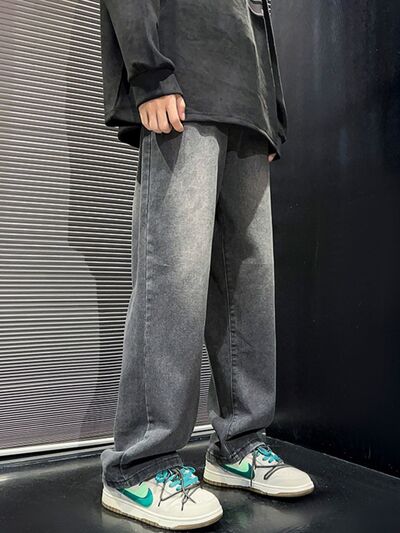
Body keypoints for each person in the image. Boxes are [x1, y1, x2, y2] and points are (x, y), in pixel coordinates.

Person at [99, 0, 314, 529]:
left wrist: (272, 112)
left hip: (248, 104)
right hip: (183, 78)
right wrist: (148, 71)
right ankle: (140, 463)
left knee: (250, 279)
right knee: (174, 269)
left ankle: (240, 443)